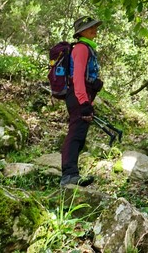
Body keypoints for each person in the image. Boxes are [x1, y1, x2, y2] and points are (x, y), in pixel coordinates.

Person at [60, 16, 104, 187]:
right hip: (79, 96)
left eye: (94, 27)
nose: (94, 30)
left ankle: (72, 174)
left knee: (80, 134)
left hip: (83, 96)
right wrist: (84, 102)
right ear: (80, 32)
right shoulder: (82, 48)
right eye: (89, 27)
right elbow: (77, 77)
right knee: (76, 134)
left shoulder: (87, 48)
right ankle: (68, 175)